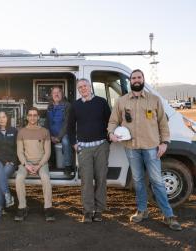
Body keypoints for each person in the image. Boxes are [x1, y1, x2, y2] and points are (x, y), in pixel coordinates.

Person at [107, 69, 182, 231]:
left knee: (157, 181)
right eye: (133, 78)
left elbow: (163, 123)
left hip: (152, 148)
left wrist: (165, 143)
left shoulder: (154, 100)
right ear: (130, 81)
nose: (136, 80)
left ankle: (168, 215)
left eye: (138, 77)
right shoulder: (121, 101)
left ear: (143, 79)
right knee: (139, 181)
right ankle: (142, 211)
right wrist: (111, 133)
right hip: (131, 148)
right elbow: (113, 121)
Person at [68, 78, 111, 223]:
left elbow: (110, 122)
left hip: (101, 147)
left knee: (101, 179)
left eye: (85, 86)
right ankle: (87, 211)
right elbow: (69, 127)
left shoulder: (101, 102)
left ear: (90, 87)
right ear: (78, 90)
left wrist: (108, 140)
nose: (83, 89)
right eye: (80, 87)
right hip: (84, 148)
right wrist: (74, 144)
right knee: (86, 181)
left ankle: (99, 211)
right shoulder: (75, 106)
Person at [15, 107, 55, 222]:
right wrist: (26, 164)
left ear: (38, 117)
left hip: (41, 163)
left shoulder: (45, 131)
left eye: (35, 115)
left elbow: (48, 152)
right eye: (30, 115)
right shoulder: (21, 132)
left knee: (46, 178)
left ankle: (48, 207)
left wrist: (39, 165)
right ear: (27, 117)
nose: (32, 117)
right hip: (26, 163)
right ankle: (22, 207)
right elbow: (19, 152)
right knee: (19, 178)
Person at [45, 86, 73, 175]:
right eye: (54, 93)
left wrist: (58, 137)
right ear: (51, 95)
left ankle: (68, 166)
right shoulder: (49, 106)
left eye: (58, 92)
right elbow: (47, 122)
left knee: (65, 141)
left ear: (62, 94)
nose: (56, 94)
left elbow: (66, 124)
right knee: (43, 139)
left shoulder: (67, 105)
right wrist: (49, 135)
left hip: (64, 134)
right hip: (52, 134)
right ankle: (47, 164)